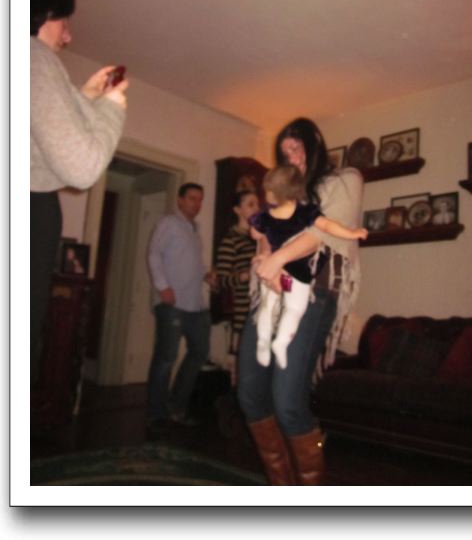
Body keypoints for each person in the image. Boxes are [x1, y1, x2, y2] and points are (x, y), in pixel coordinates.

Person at [237, 117, 364, 485]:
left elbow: (323, 232)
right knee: (249, 394)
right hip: (270, 296)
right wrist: (265, 255)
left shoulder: (345, 179)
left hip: (314, 293)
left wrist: (277, 258)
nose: (290, 157)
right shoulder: (284, 191)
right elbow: (265, 229)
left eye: (296, 148)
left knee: (288, 402)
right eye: (284, 152)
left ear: (315, 143)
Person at [30, 0, 128, 387]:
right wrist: (112, 108)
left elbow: (38, 144)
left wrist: (83, 99)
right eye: (63, 21)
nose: (68, 36)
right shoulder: (32, 56)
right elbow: (83, 167)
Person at [250, 165, 367, 370]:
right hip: (296, 274)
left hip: (277, 272)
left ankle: (263, 341)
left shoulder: (265, 216)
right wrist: (351, 233)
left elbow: (255, 234)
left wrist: (263, 239)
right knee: (295, 310)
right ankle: (281, 342)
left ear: (273, 193)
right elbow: (329, 226)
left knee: (268, 308)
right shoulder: (306, 212)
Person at [146, 183, 216, 431]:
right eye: (192, 198)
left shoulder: (195, 230)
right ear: (180, 200)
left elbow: (195, 263)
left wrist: (207, 274)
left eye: (200, 200)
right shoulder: (168, 223)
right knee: (166, 358)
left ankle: (176, 407)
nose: (197, 204)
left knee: (199, 353)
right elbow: (154, 254)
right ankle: (156, 415)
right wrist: (163, 286)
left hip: (196, 305)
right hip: (171, 304)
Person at [215, 190, 260, 385]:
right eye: (250, 204)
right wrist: (245, 275)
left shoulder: (260, 238)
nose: (256, 208)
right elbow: (222, 280)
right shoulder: (230, 240)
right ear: (237, 210)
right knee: (242, 373)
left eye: (257, 204)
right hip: (243, 313)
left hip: (261, 309)